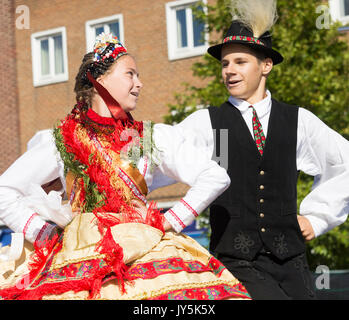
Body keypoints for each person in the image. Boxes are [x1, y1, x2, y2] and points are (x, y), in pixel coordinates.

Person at [0, 32, 250, 300]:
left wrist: (169, 219)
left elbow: (215, 175)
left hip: (148, 248)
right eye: (130, 74)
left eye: (138, 75)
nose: (139, 83)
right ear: (100, 81)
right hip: (80, 253)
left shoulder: (151, 137)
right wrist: (44, 233)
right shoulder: (62, 141)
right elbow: (4, 190)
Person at [172, 0, 349, 299]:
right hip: (235, 262)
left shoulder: (299, 120)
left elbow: (344, 162)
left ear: (266, 65)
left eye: (240, 62)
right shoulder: (208, 122)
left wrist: (317, 218)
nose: (229, 70)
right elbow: (160, 152)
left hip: (291, 261)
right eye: (225, 63)